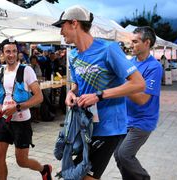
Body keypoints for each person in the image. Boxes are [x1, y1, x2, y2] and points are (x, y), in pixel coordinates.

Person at [52, 5, 145, 180]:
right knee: (78, 175)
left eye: (61, 26)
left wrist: (99, 95)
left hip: (109, 127)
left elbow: (139, 84)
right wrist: (71, 93)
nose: (60, 32)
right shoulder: (73, 55)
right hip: (84, 126)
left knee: (81, 176)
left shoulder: (108, 49)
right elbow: (77, 84)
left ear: (74, 23)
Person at [0, 39, 52, 180]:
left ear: (18, 53)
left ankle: (44, 169)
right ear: (2, 53)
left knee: (22, 161)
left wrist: (17, 107)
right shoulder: (0, 71)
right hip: (3, 120)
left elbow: (39, 97)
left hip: (21, 122)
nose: (11, 55)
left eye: (14, 51)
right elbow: (4, 95)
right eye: (8, 51)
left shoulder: (26, 70)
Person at [113, 26, 163, 180]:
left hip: (143, 121)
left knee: (125, 154)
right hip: (125, 119)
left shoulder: (154, 67)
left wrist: (121, 88)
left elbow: (142, 99)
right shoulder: (130, 63)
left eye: (135, 42)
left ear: (147, 42)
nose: (131, 45)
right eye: (131, 41)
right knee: (118, 156)